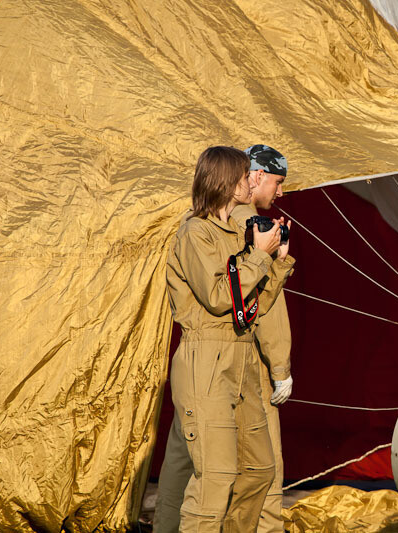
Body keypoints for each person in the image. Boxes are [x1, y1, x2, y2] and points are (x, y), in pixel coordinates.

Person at [156, 145, 294, 533]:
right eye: (243, 175)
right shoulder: (194, 232)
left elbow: (253, 308)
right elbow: (219, 299)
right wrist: (259, 257)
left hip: (241, 359)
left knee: (259, 469)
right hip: (207, 360)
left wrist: (276, 262)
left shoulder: (238, 231)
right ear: (227, 182)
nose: (250, 180)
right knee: (214, 478)